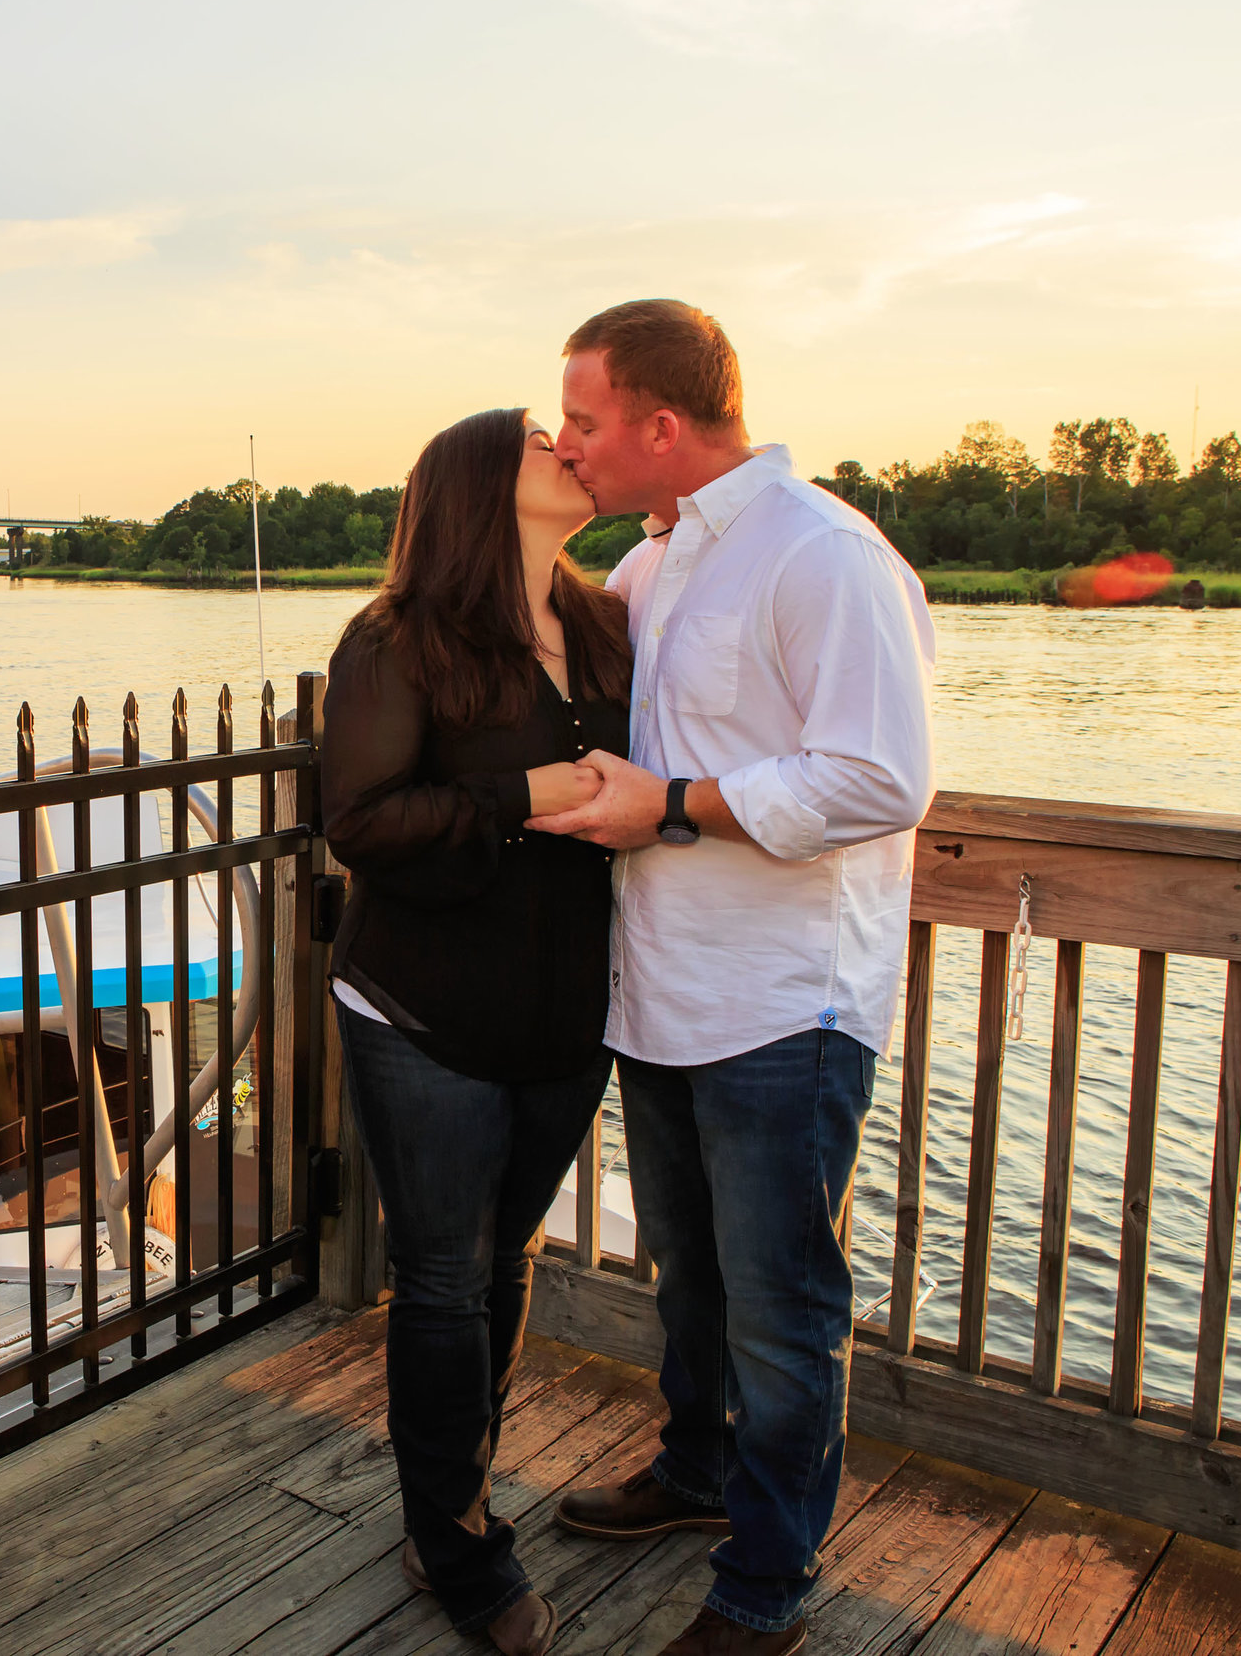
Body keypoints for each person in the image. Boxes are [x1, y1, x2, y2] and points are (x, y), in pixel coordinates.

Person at [532, 300, 936, 1656]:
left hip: (782, 1002)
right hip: (659, 989)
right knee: (692, 1274)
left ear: (662, 422)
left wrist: (675, 804)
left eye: (584, 420)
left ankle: (766, 1582)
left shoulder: (822, 554)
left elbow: (879, 776)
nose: (570, 441)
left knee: (782, 1308)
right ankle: (695, 1472)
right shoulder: (652, 566)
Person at [322, 406, 636, 1656]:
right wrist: (519, 797)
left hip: (566, 1008)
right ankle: (454, 1541)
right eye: (537, 434)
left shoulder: (608, 619)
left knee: (503, 1260)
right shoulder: (396, 638)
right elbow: (362, 819)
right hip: (422, 1006)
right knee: (443, 1277)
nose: (567, 440)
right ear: (477, 485)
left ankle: (455, 1487)